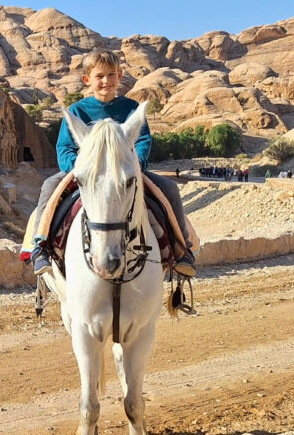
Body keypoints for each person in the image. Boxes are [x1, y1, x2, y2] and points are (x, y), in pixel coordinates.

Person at [30, 50, 196, 278]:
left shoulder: (131, 108)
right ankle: (40, 246)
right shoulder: (78, 110)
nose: (106, 81)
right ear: (87, 80)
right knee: (49, 186)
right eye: (99, 76)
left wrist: (136, 163)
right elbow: (64, 147)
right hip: (87, 172)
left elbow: (142, 140)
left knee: (169, 188)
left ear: (119, 76)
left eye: (111, 75)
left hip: (124, 170)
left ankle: (182, 250)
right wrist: (78, 167)